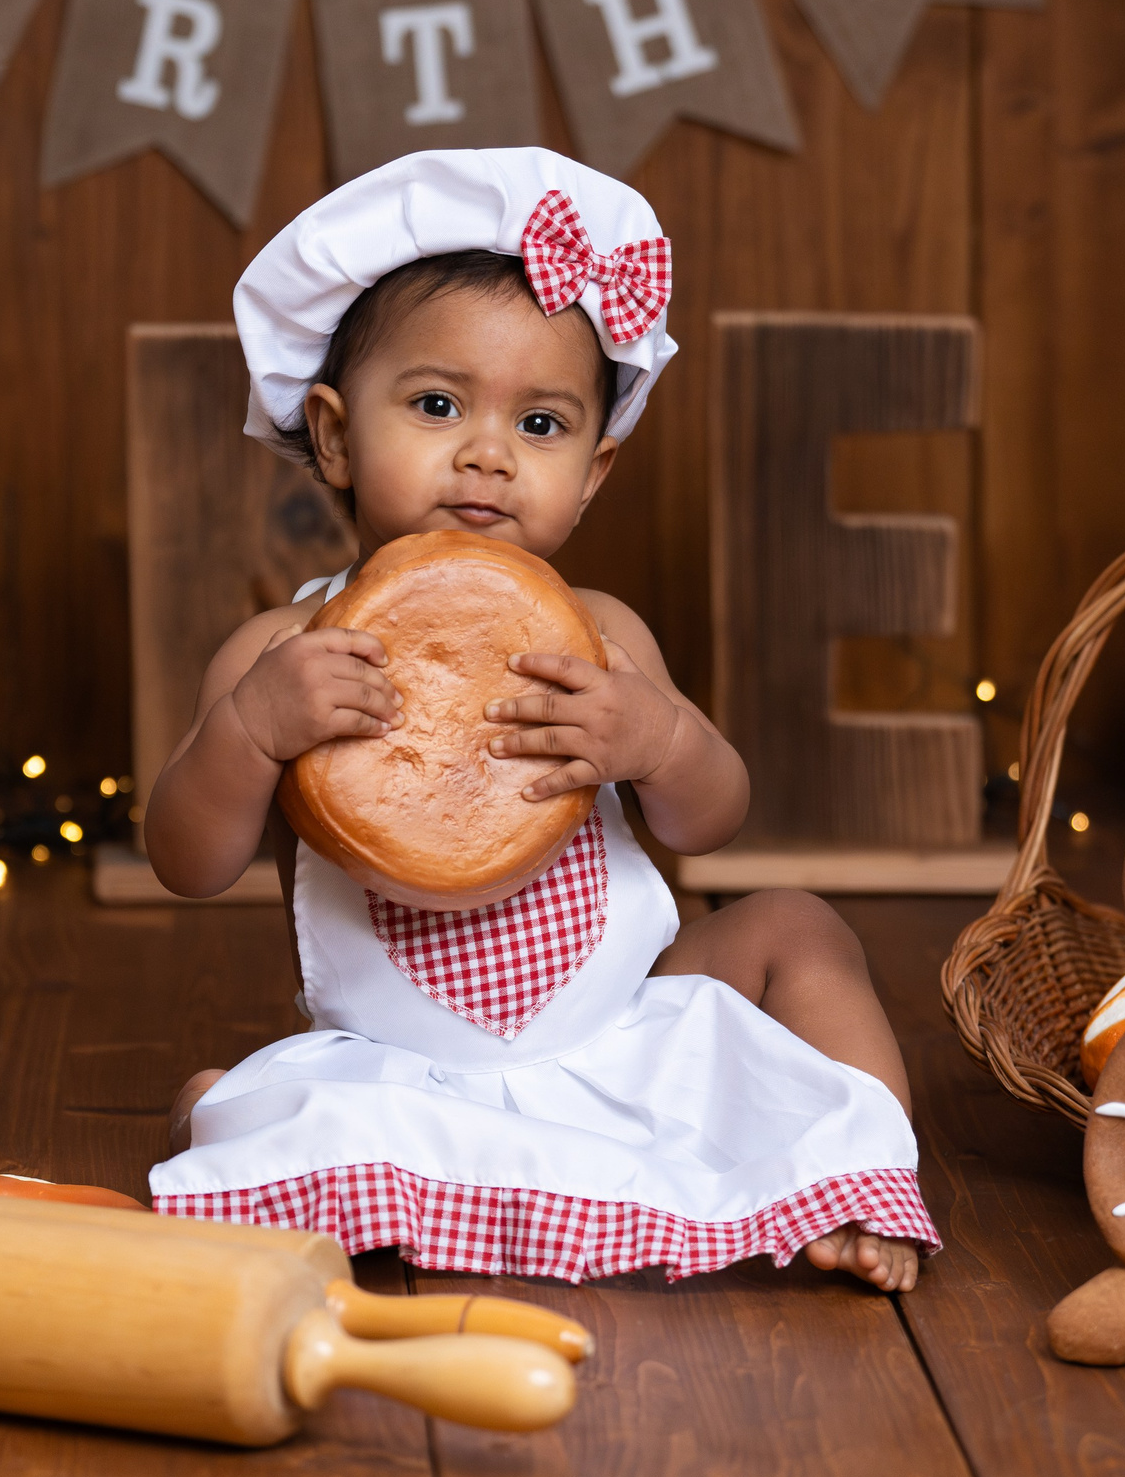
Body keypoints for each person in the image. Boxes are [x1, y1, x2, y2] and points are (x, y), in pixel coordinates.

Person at [142, 148, 934, 1289]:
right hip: (398, 1066)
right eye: (434, 403)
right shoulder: (280, 654)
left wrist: (658, 742)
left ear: (595, 471)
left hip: (619, 1039)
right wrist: (249, 736)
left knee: (798, 926)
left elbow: (714, 821)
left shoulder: (601, 635)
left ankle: (859, 1179)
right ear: (331, 434)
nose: (487, 453)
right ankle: (270, 1141)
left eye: (543, 425)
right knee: (259, 1105)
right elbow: (186, 862)